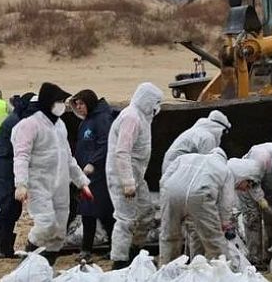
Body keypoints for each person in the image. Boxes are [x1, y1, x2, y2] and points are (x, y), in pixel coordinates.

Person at [12, 82, 92, 264]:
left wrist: (82, 182)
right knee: (46, 224)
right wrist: (21, 184)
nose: (63, 105)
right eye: (60, 101)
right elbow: (21, 156)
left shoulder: (60, 127)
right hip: (38, 184)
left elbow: (68, 158)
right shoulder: (29, 125)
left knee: (59, 232)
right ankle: (27, 262)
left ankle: (45, 269)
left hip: (60, 186)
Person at [159, 150, 255, 264]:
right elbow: (226, 200)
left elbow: (164, 179)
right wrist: (224, 222)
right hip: (201, 195)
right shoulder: (225, 170)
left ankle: (167, 270)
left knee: (169, 235)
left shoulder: (185, 158)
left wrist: (167, 193)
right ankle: (219, 271)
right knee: (214, 240)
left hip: (172, 192)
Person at [106, 82, 164, 269]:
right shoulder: (131, 118)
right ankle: (120, 261)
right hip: (123, 178)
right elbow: (122, 151)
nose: (157, 107)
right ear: (147, 100)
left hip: (137, 176)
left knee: (146, 214)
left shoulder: (143, 118)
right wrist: (128, 182)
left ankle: (134, 250)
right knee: (126, 220)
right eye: (156, 102)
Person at [0, 93, 35, 258]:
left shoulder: (20, 119)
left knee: (14, 209)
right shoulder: (16, 122)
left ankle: (6, 247)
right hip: (2, 170)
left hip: (11, 170)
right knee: (2, 208)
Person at [71, 89, 116, 262]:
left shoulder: (102, 119)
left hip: (99, 174)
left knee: (104, 212)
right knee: (87, 212)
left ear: (89, 103)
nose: (79, 107)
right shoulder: (85, 122)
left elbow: (105, 143)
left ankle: (114, 247)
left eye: (82, 104)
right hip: (86, 176)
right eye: (77, 105)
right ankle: (86, 249)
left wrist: (94, 163)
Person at [238, 142, 272, 267]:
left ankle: (271, 254)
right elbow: (253, 183)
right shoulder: (261, 157)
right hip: (246, 184)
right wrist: (262, 202)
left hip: (269, 186)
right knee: (252, 218)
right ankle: (255, 258)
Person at [160, 110, 231, 176]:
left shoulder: (197, 131)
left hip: (170, 171)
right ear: (221, 130)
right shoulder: (207, 137)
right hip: (178, 172)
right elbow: (208, 164)